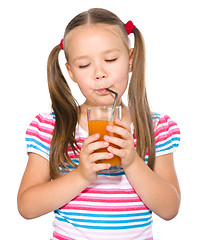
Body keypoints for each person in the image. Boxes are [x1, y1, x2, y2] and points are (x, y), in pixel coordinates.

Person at [17, 8, 181, 240]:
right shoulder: (51, 127)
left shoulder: (155, 128)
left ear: (131, 60)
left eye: (111, 59)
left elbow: (169, 208)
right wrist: (81, 175)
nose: (100, 73)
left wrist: (133, 161)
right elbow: (27, 206)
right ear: (71, 72)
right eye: (84, 65)